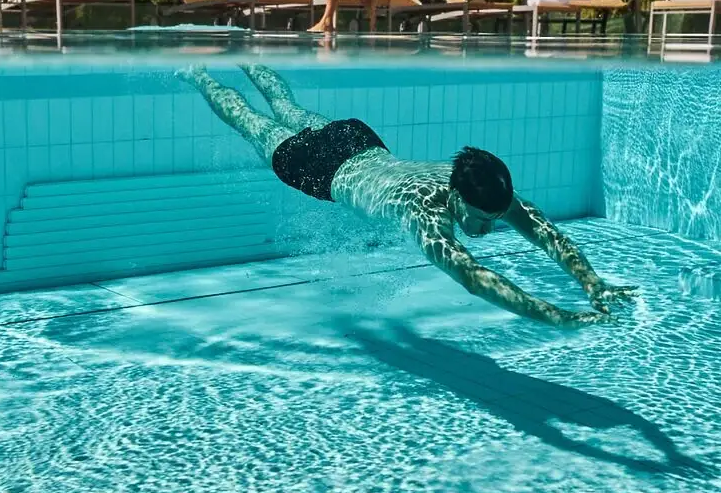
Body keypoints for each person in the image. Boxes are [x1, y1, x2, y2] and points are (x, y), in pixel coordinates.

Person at [179, 64, 636, 327]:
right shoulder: (425, 213)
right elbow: (475, 278)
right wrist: (556, 316)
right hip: (319, 170)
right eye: (479, 218)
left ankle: (247, 55)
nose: (488, 227)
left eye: (492, 219)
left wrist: (593, 283)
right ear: (455, 195)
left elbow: (543, 231)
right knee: (250, 120)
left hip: (357, 140)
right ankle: (197, 71)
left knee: (287, 108)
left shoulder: (485, 189)